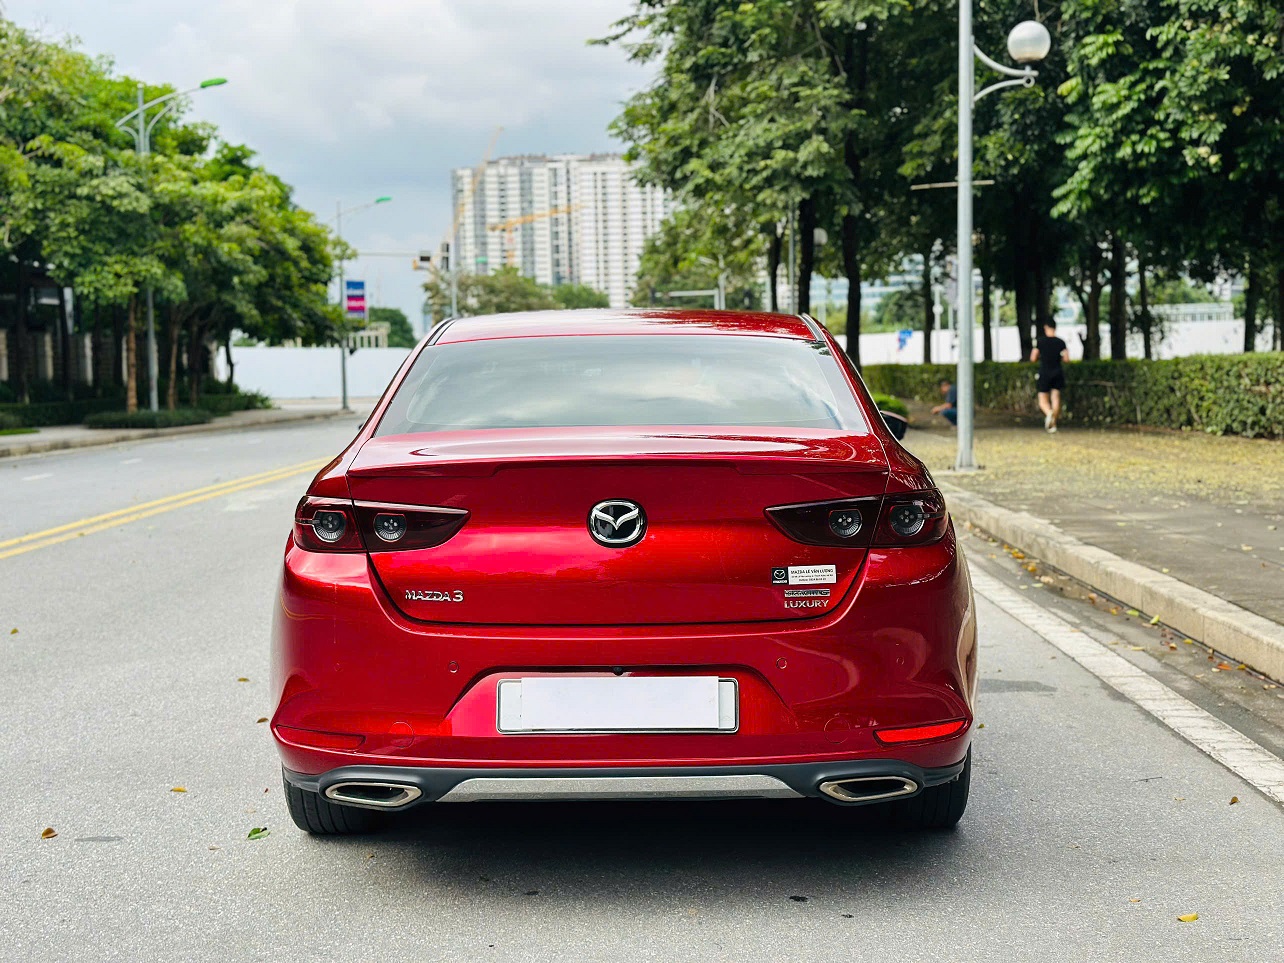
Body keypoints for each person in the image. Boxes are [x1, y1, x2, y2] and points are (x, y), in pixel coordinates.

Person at [1030, 320, 1069, 433]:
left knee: (1042, 400)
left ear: (1046, 327)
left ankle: (1049, 413)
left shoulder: (1040, 342)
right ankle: (1053, 425)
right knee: (1055, 397)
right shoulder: (1061, 342)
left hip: (1044, 372)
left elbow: (1033, 358)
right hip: (1057, 371)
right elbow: (1066, 359)